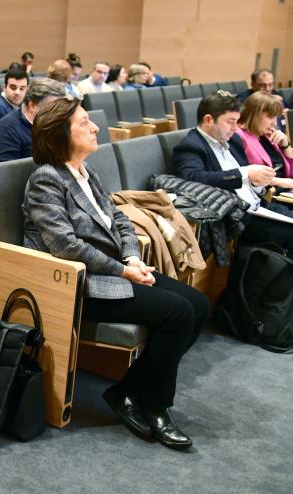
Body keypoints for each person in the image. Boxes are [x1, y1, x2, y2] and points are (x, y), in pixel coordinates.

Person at [24, 97, 209, 451]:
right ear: (59, 133)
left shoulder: (85, 171)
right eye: (83, 123)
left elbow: (119, 218)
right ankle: (155, 405)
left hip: (115, 269)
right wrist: (123, 270)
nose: (94, 127)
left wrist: (131, 256)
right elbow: (66, 246)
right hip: (80, 283)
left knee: (198, 303)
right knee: (178, 312)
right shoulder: (46, 179)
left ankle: (126, 391)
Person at [173, 92, 293, 254]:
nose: (236, 128)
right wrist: (245, 174)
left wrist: (257, 182)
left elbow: (248, 182)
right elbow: (190, 179)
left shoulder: (234, 140)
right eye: (230, 122)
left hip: (259, 207)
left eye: (237, 122)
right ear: (208, 120)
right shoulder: (191, 146)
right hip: (236, 219)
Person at [0, 77, 65, 163]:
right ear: (32, 106)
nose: (57, 113)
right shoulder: (6, 130)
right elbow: (5, 172)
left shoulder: (55, 123)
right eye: (52, 108)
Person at [236, 92, 293, 182]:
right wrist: (282, 183)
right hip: (265, 193)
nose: (274, 123)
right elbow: (245, 176)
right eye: (270, 117)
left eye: (276, 117)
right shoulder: (238, 135)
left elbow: (291, 173)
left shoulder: (268, 135)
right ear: (254, 115)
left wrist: (285, 146)